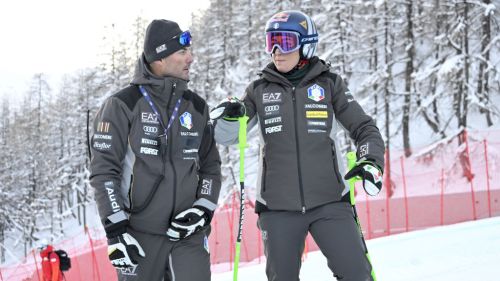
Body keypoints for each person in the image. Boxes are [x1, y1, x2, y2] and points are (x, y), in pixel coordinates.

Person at [211, 10, 385, 281]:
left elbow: (365, 128)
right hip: (278, 208)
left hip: (330, 202)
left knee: (356, 274)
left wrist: (370, 160)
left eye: (286, 42)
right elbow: (229, 137)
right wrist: (229, 117)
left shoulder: (329, 85)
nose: (277, 51)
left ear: (306, 44)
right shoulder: (259, 89)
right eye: (272, 42)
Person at [90, 19, 221, 281]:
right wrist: (116, 230)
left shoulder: (196, 107)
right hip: (138, 236)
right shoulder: (122, 105)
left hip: (188, 235)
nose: (191, 58)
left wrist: (203, 209)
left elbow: (211, 167)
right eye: (182, 52)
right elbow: (104, 172)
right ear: (159, 58)